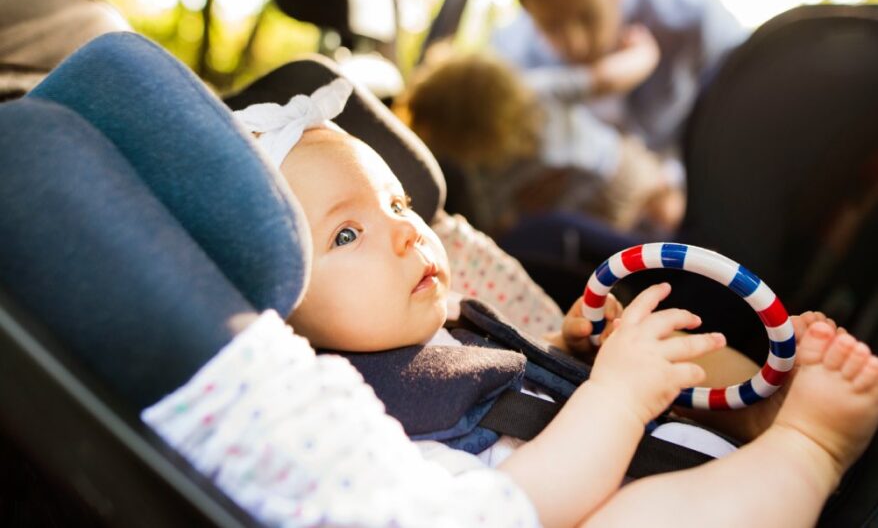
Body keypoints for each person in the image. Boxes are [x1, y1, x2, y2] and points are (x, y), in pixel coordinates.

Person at [234, 80, 878, 528]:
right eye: (347, 235)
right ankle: (811, 448)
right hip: (628, 503)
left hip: (677, 457)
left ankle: (760, 409)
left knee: (665, 342)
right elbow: (511, 506)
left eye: (398, 204)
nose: (407, 230)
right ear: (280, 308)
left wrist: (570, 352)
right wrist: (618, 396)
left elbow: (515, 385)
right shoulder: (356, 421)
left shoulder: (453, 318)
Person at [492, 0, 749, 164]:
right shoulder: (516, 63)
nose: (576, 43)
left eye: (587, 16)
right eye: (551, 27)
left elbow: (748, 97)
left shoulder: (689, 18)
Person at [400, 51, 684, 236]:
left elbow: (496, 223)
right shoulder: (536, 91)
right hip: (616, 168)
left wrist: (522, 209)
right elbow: (605, 78)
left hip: (591, 211)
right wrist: (644, 52)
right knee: (669, 212)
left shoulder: (485, 170)